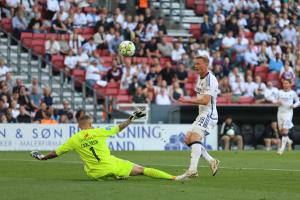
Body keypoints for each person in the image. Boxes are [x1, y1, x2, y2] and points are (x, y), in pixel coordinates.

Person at [31, 109, 179, 181]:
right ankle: (174, 178)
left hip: (94, 174)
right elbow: (120, 127)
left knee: (95, 164)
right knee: (141, 169)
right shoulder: (99, 132)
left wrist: (43, 157)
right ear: (89, 124)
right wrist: (132, 117)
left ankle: (117, 176)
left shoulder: (74, 139)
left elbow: (55, 153)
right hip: (109, 164)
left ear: (79, 126)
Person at [176, 51, 219, 181]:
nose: (196, 66)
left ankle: (192, 170)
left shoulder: (211, 79)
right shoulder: (199, 78)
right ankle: (212, 161)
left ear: (206, 65)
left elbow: (206, 101)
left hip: (209, 115)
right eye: (195, 64)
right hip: (202, 114)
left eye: (199, 64)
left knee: (195, 137)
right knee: (188, 139)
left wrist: (187, 100)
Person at [276, 79, 299, 155]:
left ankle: (281, 149)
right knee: (281, 131)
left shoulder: (293, 93)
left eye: (287, 83)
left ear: (290, 84)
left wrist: (294, 105)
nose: (285, 85)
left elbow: (298, 101)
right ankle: (289, 141)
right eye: (284, 83)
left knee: (285, 130)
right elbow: (276, 101)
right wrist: (277, 102)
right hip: (280, 113)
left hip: (288, 114)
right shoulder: (279, 92)